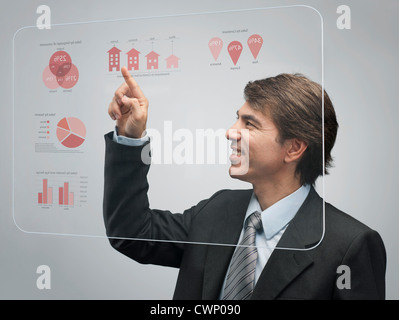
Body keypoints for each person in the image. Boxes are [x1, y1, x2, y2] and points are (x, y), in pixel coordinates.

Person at [103, 66, 386, 300]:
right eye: (236, 119)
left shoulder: (349, 245)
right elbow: (132, 234)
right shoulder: (216, 210)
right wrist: (130, 138)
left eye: (249, 124)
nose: (230, 132)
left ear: (294, 148)